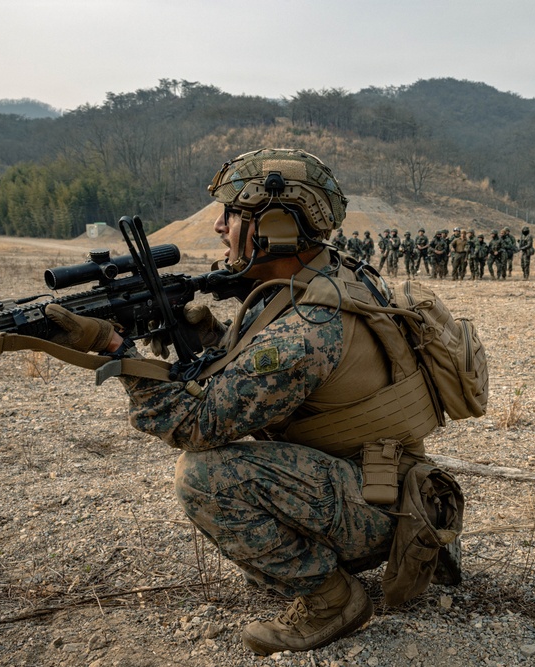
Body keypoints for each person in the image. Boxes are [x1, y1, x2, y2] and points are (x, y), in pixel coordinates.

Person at [42, 149, 462, 656]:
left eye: (232, 214)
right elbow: (283, 388)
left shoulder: (307, 327)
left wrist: (117, 351)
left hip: (379, 511)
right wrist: (213, 337)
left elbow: (193, 424)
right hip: (389, 481)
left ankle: (332, 599)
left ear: (280, 227)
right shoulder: (332, 278)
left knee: (202, 476)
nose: (218, 226)